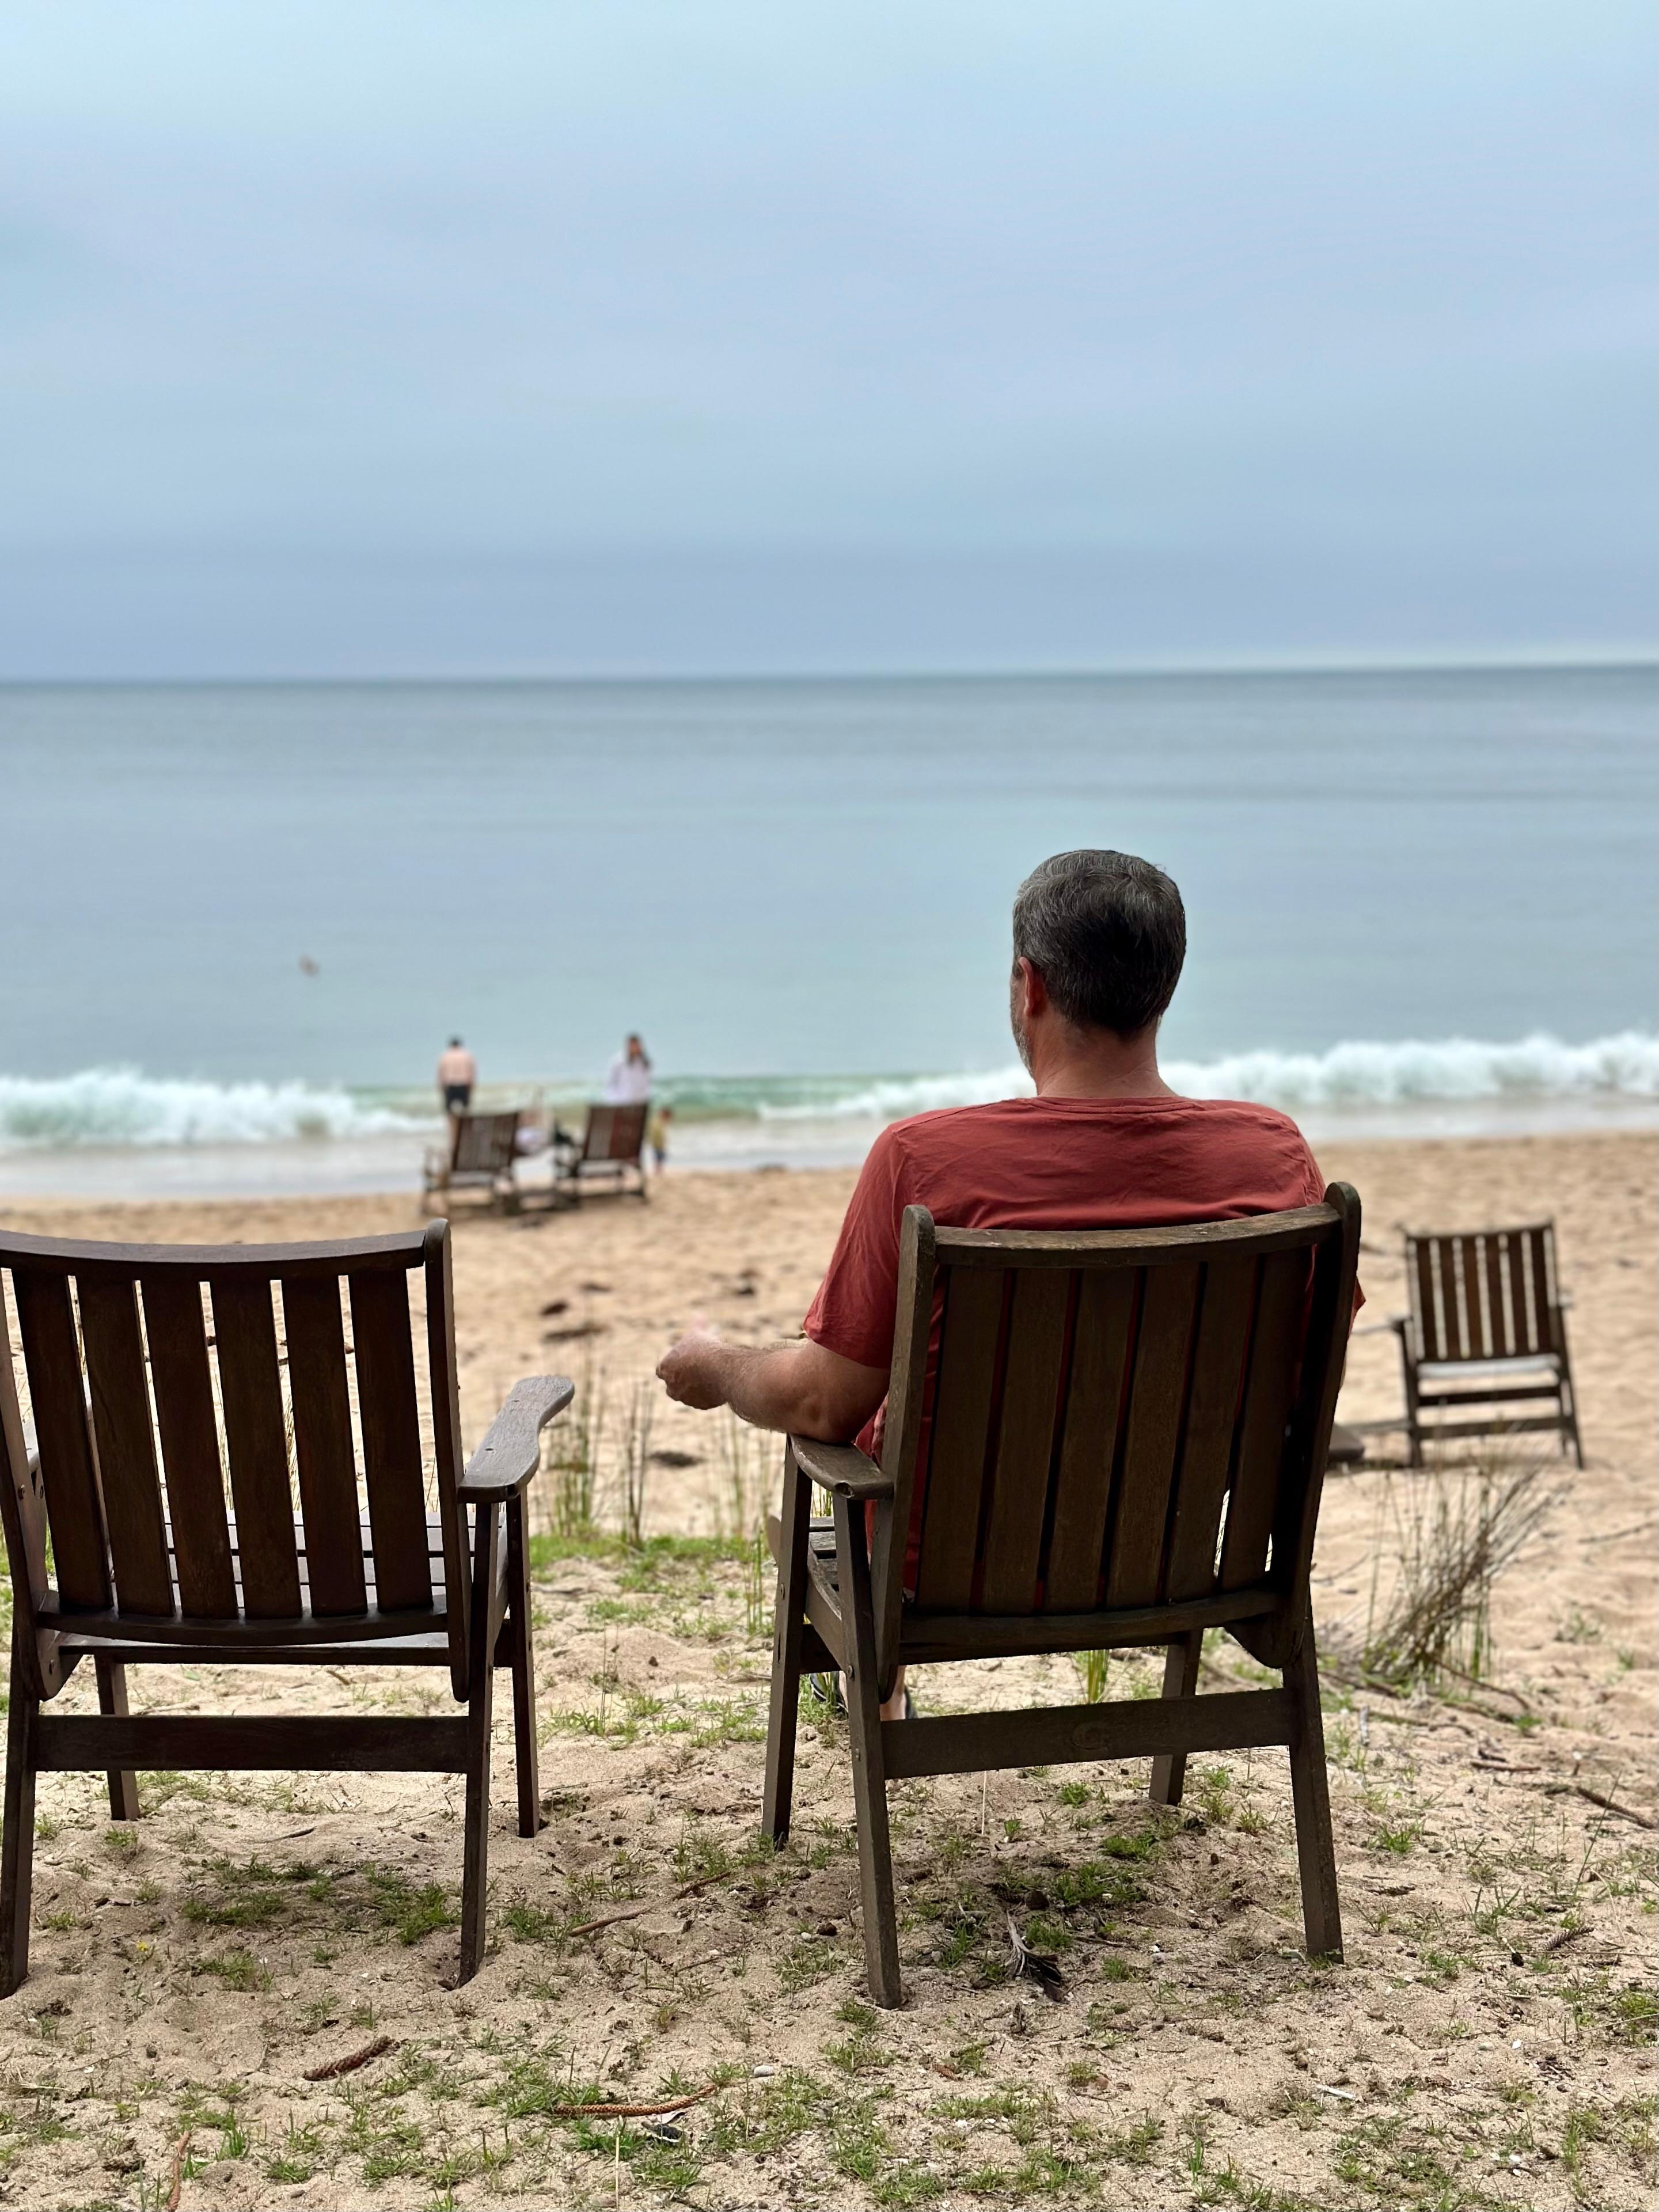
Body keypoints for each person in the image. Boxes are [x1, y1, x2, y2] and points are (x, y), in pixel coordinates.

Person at [657, 847, 1357, 1722]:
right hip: (1180, 1557)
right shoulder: (1272, 1159)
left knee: (858, 1474)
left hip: (948, 1570)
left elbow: (819, 1409)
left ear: (1028, 985)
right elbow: (1302, 1382)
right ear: (1164, 987)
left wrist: (716, 1365)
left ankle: (881, 1692)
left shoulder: (927, 1161)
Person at [604, 1033, 652, 1105]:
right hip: (621, 1102)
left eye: (637, 1046)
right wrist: (614, 1101)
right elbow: (611, 1083)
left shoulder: (644, 1062)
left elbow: (646, 1084)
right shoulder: (618, 1061)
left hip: (639, 1102)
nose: (635, 1048)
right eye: (633, 1046)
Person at [436, 1037, 476, 1113]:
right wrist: (471, 1086)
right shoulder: (467, 1055)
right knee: (465, 1109)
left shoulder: (445, 1056)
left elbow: (441, 1073)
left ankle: (452, 1125)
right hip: (464, 1084)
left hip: (450, 1085)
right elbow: (472, 1072)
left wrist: (442, 1087)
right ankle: (464, 1124)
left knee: (449, 1110)